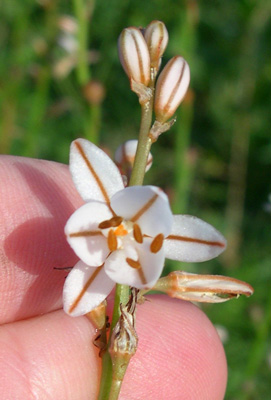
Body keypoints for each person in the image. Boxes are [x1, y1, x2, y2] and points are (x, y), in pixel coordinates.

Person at [0, 156, 227, 399]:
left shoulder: (144, 242)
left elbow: (78, 300)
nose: (122, 234)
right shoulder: (105, 217)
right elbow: (77, 300)